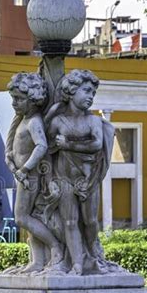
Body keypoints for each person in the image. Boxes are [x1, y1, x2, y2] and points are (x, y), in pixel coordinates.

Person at [46, 69, 114, 274]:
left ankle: (93, 252)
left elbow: (96, 144)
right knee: (70, 221)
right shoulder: (58, 122)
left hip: (88, 179)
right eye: (86, 91)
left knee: (91, 220)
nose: (90, 97)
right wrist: (50, 180)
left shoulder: (93, 121)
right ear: (71, 91)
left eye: (93, 93)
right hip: (64, 177)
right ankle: (77, 262)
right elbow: (48, 150)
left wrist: (68, 144)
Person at [5, 72, 64, 273]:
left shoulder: (33, 121)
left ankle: (55, 246)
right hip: (22, 176)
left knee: (21, 218)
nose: (15, 103)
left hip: (29, 177)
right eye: (13, 98)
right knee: (30, 218)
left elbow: (41, 146)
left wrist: (24, 168)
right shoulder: (23, 119)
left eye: (19, 99)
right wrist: (11, 159)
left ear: (33, 100)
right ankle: (37, 262)